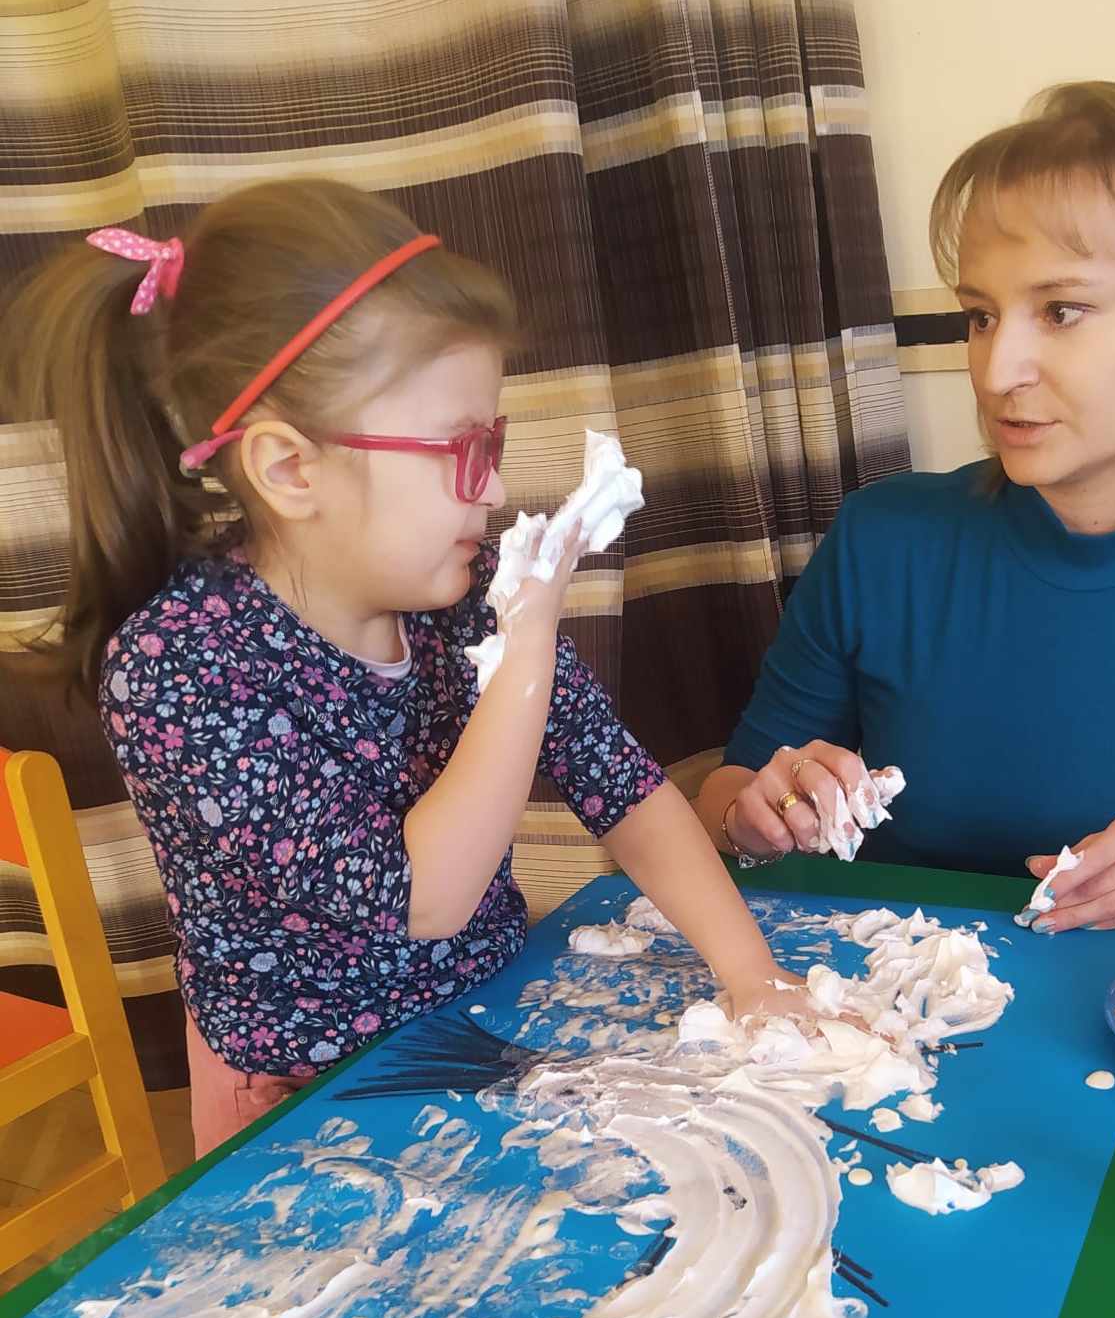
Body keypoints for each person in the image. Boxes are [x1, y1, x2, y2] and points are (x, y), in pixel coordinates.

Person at [3, 179, 800, 1154]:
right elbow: (422, 897)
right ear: (291, 469)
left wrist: (752, 974)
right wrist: (525, 653)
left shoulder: (458, 602)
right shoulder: (181, 668)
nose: (494, 488)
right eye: (462, 450)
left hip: (478, 1024)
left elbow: (624, 788)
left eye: (492, 442)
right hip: (300, 1100)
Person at [695, 82, 1115, 931]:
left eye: (1061, 311)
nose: (996, 370)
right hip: (873, 996)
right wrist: (756, 812)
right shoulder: (882, 542)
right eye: (980, 316)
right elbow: (729, 793)